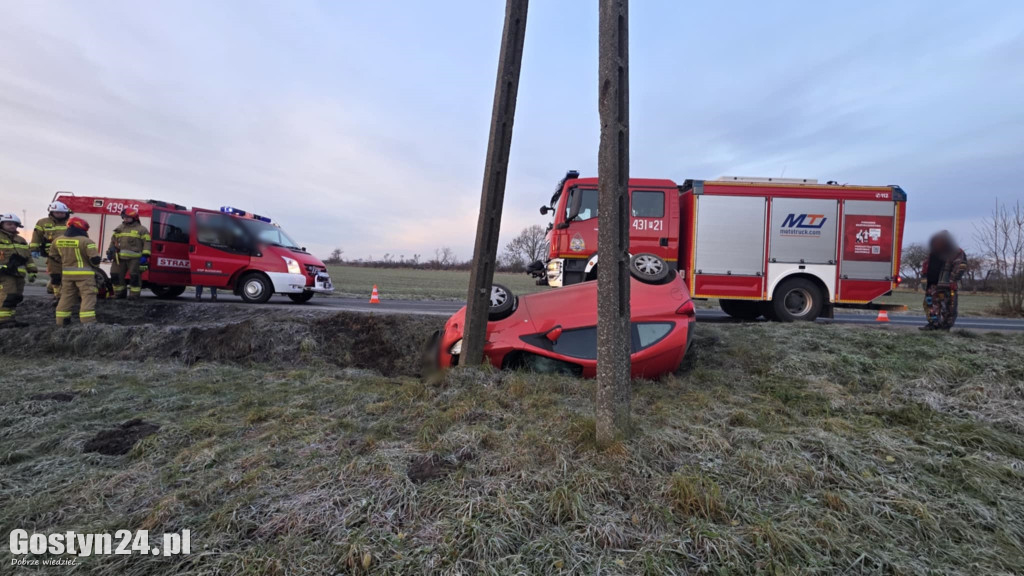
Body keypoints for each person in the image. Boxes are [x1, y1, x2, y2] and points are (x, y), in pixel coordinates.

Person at [51, 217, 100, 326]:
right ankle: (88, 323)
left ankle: (61, 322)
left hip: (67, 275)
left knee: (66, 297)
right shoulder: (87, 241)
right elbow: (95, 260)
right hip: (85, 276)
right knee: (88, 297)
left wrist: (66, 262)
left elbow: (54, 257)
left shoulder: (57, 240)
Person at [920, 230, 968, 331]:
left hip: (947, 286)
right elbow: (926, 266)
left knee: (949, 307)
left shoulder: (957, 252)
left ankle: (945, 327)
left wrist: (951, 280)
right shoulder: (933, 252)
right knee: (931, 306)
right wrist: (924, 279)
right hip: (932, 285)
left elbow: (960, 267)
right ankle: (933, 324)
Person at [0, 213, 39, 328]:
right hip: (4, 274)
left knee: (16, 297)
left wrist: (32, 271)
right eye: (9, 224)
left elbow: (28, 257)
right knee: (8, 296)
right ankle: (3, 321)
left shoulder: (21, 240)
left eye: (14, 224)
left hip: (18, 274)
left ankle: (10, 319)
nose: (12, 226)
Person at [108, 207, 151, 300]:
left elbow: (147, 243)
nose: (125, 219)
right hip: (119, 258)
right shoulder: (119, 228)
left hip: (134, 258)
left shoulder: (142, 229)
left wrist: (145, 255)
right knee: (115, 274)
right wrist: (110, 251)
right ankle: (119, 293)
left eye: (127, 217)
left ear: (134, 218)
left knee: (134, 276)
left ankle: (134, 295)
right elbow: (113, 241)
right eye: (124, 217)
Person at [30, 200, 70, 300]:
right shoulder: (42, 222)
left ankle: (51, 288)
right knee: (55, 274)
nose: (60, 215)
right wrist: (34, 249)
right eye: (57, 212)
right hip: (52, 254)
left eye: (62, 213)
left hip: (69, 253)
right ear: (52, 212)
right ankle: (58, 295)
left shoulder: (71, 222)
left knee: (66, 275)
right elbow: (36, 236)